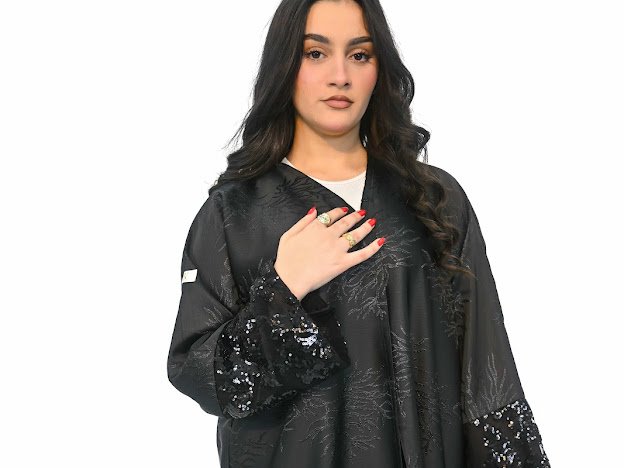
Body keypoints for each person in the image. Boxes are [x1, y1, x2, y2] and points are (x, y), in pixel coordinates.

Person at [166, 0, 550, 466]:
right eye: (315, 53)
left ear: (378, 69)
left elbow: (488, 376)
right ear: (285, 66)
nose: (340, 76)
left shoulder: (435, 201)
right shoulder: (232, 214)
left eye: (360, 55)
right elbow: (199, 376)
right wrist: (282, 290)